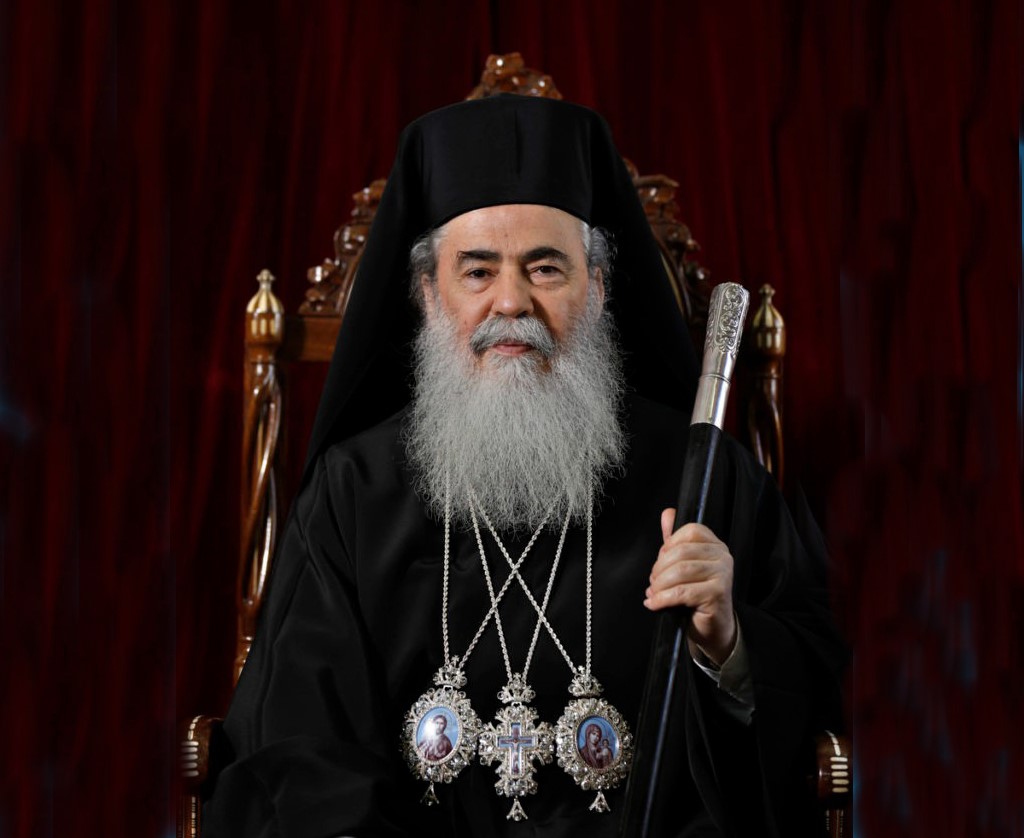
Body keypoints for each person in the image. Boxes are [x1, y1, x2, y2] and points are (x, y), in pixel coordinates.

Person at [203, 94, 846, 838]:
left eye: (545, 268)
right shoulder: (353, 492)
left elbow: (809, 693)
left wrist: (728, 643)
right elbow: (299, 744)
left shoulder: (700, 480)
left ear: (597, 287)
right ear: (428, 292)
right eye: (478, 271)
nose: (512, 301)